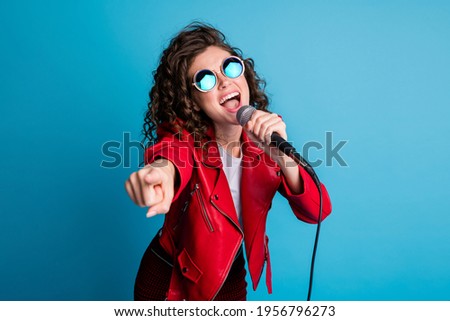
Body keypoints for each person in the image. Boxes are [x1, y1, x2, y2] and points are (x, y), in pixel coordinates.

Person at [125, 22, 332, 301]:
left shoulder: (266, 137)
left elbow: (316, 210)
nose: (224, 81)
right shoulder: (184, 139)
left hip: (230, 275)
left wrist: (282, 157)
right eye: (206, 79)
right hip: (171, 279)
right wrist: (162, 172)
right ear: (194, 101)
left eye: (230, 67)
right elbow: (173, 155)